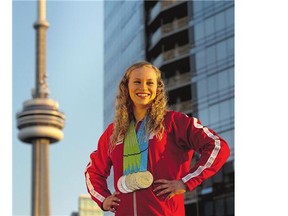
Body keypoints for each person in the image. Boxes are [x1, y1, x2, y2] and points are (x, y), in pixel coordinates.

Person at [85, 61, 230, 215]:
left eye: (150, 83)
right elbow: (93, 171)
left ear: (157, 88)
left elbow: (218, 146)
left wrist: (185, 182)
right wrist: (103, 199)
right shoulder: (114, 132)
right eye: (137, 82)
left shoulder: (173, 122)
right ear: (127, 87)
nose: (143, 88)